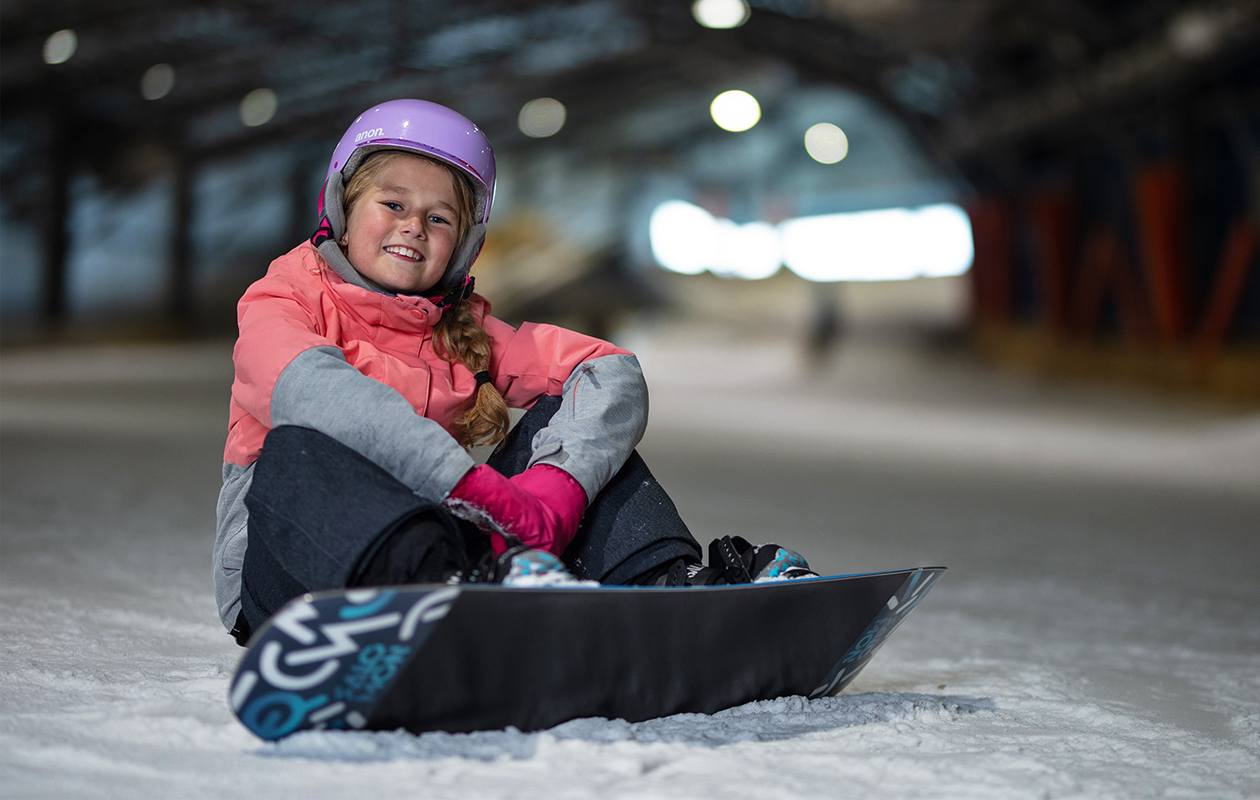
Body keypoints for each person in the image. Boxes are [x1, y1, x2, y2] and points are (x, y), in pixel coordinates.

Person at [213, 99, 816, 645]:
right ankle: (446, 604)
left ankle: (664, 593)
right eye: (392, 204)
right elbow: (316, 395)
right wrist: (470, 488)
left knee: (581, 435)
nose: (413, 227)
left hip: (447, 559)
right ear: (342, 205)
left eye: (440, 218)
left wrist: (557, 491)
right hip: (294, 577)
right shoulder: (281, 301)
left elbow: (609, 369)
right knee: (302, 448)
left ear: (466, 243)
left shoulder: (461, 332)